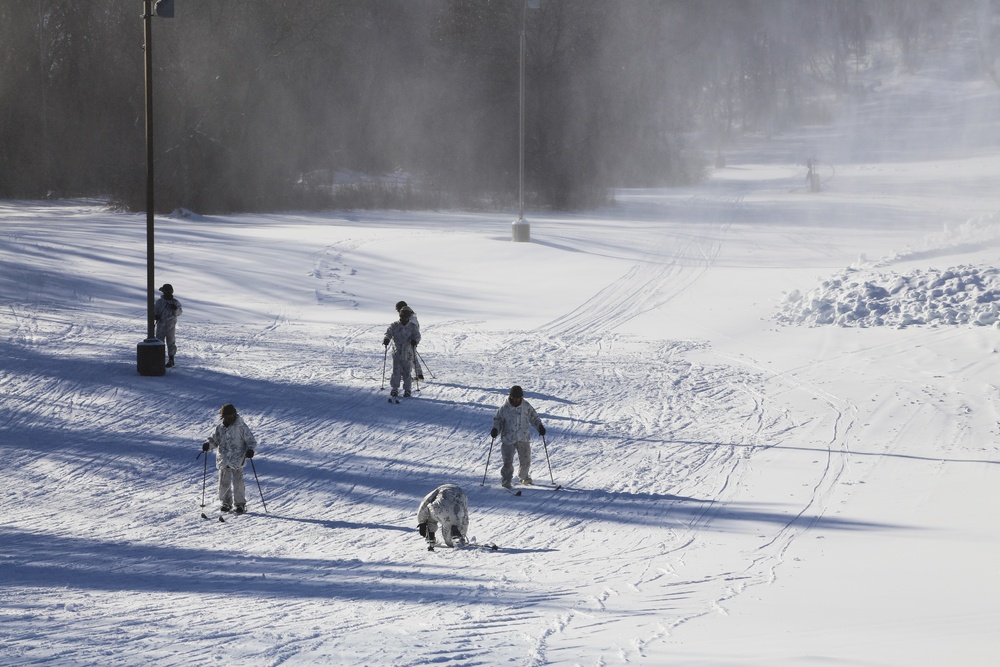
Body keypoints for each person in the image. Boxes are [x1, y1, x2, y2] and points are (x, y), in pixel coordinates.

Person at [201, 404, 258, 514]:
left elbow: (251, 440)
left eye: (230, 415)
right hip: (223, 459)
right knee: (223, 482)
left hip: (237, 458)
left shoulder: (241, 427)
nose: (229, 418)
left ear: (234, 414)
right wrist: (208, 445)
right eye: (226, 416)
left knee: (238, 482)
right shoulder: (220, 428)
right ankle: (226, 503)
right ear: (223, 417)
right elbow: (214, 440)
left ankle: (240, 504)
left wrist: (250, 450)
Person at [490, 385, 545, 489]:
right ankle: (506, 480)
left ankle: (524, 477)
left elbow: (534, 417)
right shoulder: (504, 408)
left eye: (518, 397)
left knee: (525, 459)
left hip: (523, 437)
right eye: (514, 397)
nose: (516, 399)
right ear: (511, 397)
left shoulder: (526, 406)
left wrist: (540, 427)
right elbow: (498, 420)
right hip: (508, 438)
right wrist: (495, 430)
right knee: (507, 461)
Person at [383, 306, 421, 398]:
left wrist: (415, 341)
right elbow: (389, 332)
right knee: (396, 371)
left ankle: (407, 389)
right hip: (397, 352)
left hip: (408, 353)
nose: (403, 318)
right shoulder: (395, 325)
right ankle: (394, 388)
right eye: (402, 316)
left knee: (407, 372)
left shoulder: (412, 327)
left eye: (405, 316)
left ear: (408, 316)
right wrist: (386, 339)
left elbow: (417, 336)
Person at [417, 484, 469, 550]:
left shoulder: (439, 489)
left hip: (440, 508)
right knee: (450, 543)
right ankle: (455, 535)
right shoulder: (463, 495)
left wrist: (422, 523)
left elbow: (425, 502)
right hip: (457, 510)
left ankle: (430, 536)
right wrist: (462, 534)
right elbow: (465, 517)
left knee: (431, 516)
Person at [154, 283, 183, 367]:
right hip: (161, 325)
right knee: (159, 342)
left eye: (170, 292)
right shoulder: (159, 302)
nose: (169, 294)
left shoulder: (175, 302)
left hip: (170, 325)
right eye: (167, 292)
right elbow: (155, 311)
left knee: (171, 342)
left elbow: (179, 313)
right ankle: (159, 359)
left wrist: (175, 309)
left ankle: (171, 359)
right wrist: (156, 316)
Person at [395, 300, 424, 380]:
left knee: (408, 358)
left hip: (409, 341)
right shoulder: (410, 316)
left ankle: (407, 375)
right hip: (408, 341)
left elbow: (413, 330)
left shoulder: (411, 319)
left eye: (398, 309)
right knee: (412, 357)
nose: (397, 311)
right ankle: (419, 374)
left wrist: (413, 340)